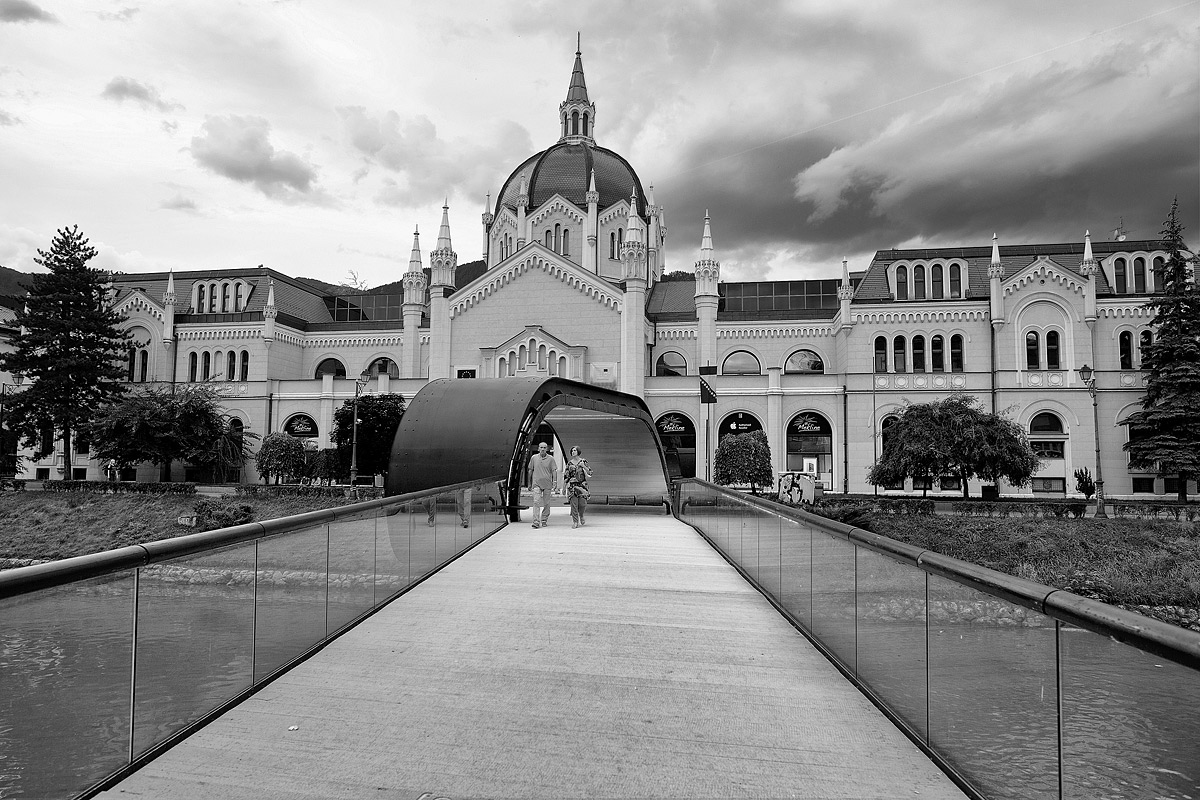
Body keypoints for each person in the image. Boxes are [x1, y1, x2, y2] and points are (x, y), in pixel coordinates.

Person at [526, 441, 559, 528]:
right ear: (538, 449)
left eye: (544, 447)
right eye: (541, 447)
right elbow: (530, 470)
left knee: (546, 503)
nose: (543, 449)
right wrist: (529, 483)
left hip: (547, 484)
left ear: (547, 449)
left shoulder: (551, 459)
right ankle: (536, 521)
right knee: (536, 502)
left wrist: (555, 482)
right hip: (536, 483)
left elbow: (554, 471)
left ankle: (544, 519)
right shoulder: (534, 458)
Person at [564, 446, 593, 529]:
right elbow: (566, 476)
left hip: (582, 486)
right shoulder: (569, 464)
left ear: (578, 452)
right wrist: (564, 486)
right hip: (572, 486)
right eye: (572, 450)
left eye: (575, 450)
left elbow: (590, 472)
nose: (573, 452)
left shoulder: (583, 461)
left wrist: (583, 466)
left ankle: (581, 515)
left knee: (582, 504)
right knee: (574, 505)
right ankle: (575, 522)